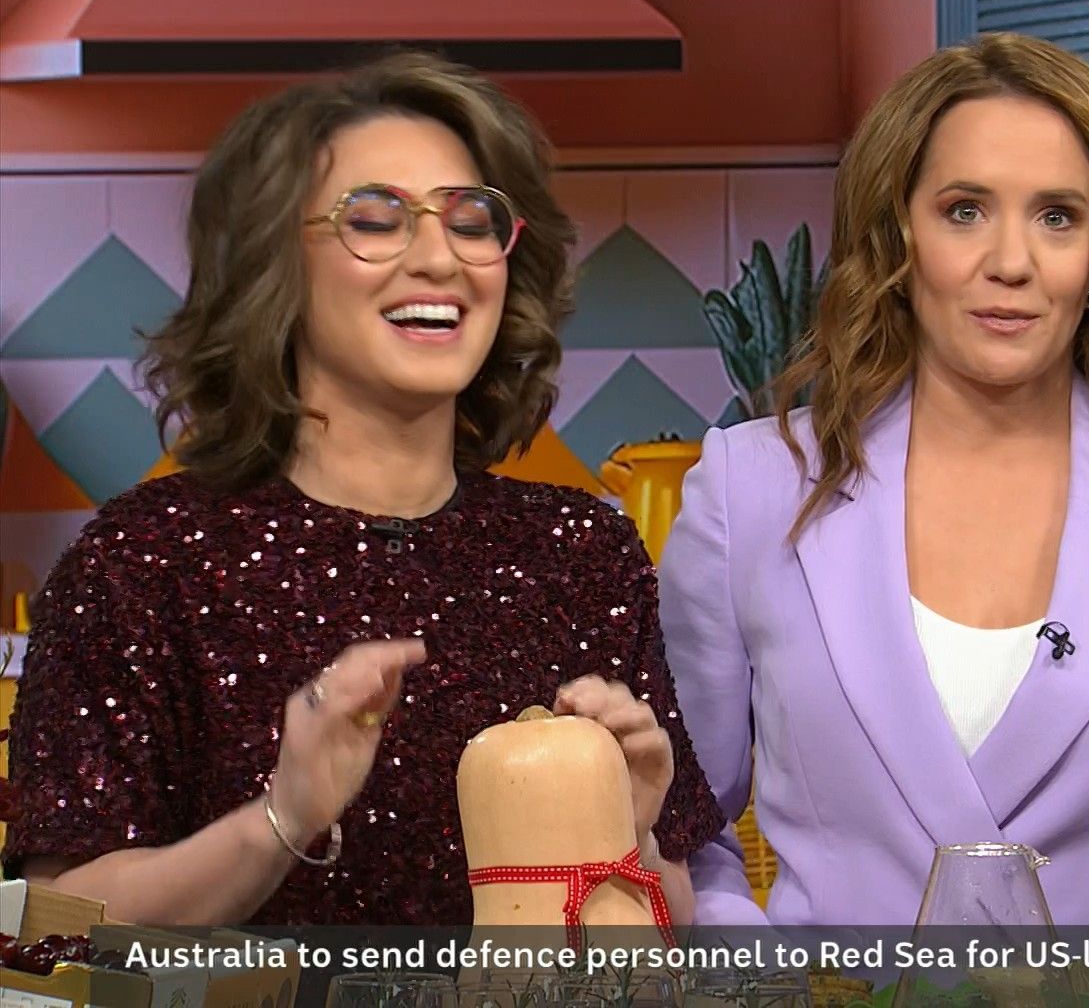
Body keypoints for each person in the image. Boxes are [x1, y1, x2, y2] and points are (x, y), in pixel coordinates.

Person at [1, 53, 724, 927]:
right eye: (376, 221)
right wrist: (283, 818)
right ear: (273, 265)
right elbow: (53, 923)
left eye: (471, 222)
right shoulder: (142, 562)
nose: (440, 258)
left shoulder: (582, 552)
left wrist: (631, 835)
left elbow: (668, 924)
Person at [659, 32, 1089, 927]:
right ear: (899, 237)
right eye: (965, 210)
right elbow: (682, 830)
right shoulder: (751, 491)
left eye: (1058, 217)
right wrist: (765, 974)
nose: (1011, 261)